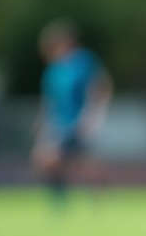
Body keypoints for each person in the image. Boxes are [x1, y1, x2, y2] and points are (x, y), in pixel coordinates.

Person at [33, 20, 111, 206]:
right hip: (60, 122)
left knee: (82, 164)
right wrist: (41, 121)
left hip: (80, 120)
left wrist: (94, 115)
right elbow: (49, 99)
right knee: (46, 159)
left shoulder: (84, 61)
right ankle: (60, 197)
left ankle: (97, 198)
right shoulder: (53, 70)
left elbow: (100, 86)